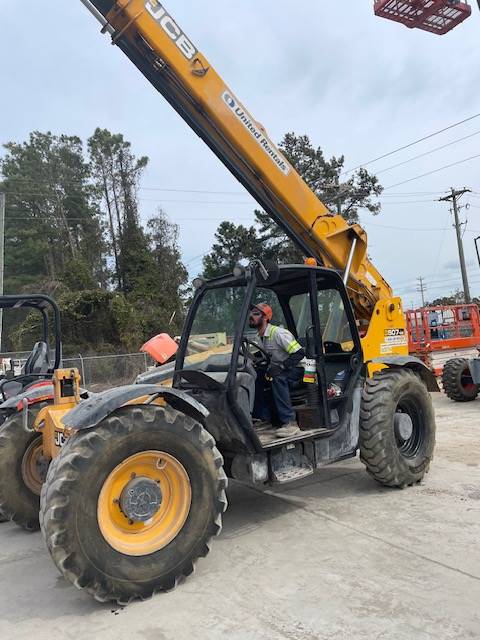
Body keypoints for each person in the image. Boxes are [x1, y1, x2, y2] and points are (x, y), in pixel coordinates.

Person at [249, 303, 305, 438]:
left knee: (277, 377)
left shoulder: (279, 333)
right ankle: (263, 419)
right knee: (254, 376)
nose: (251, 316)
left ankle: (290, 422)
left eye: (256, 314)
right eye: (251, 313)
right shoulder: (259, 337)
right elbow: (264, 355)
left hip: (298, 369)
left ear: (266, 317)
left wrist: (280, 367)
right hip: (280, 368)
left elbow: (299, 353)